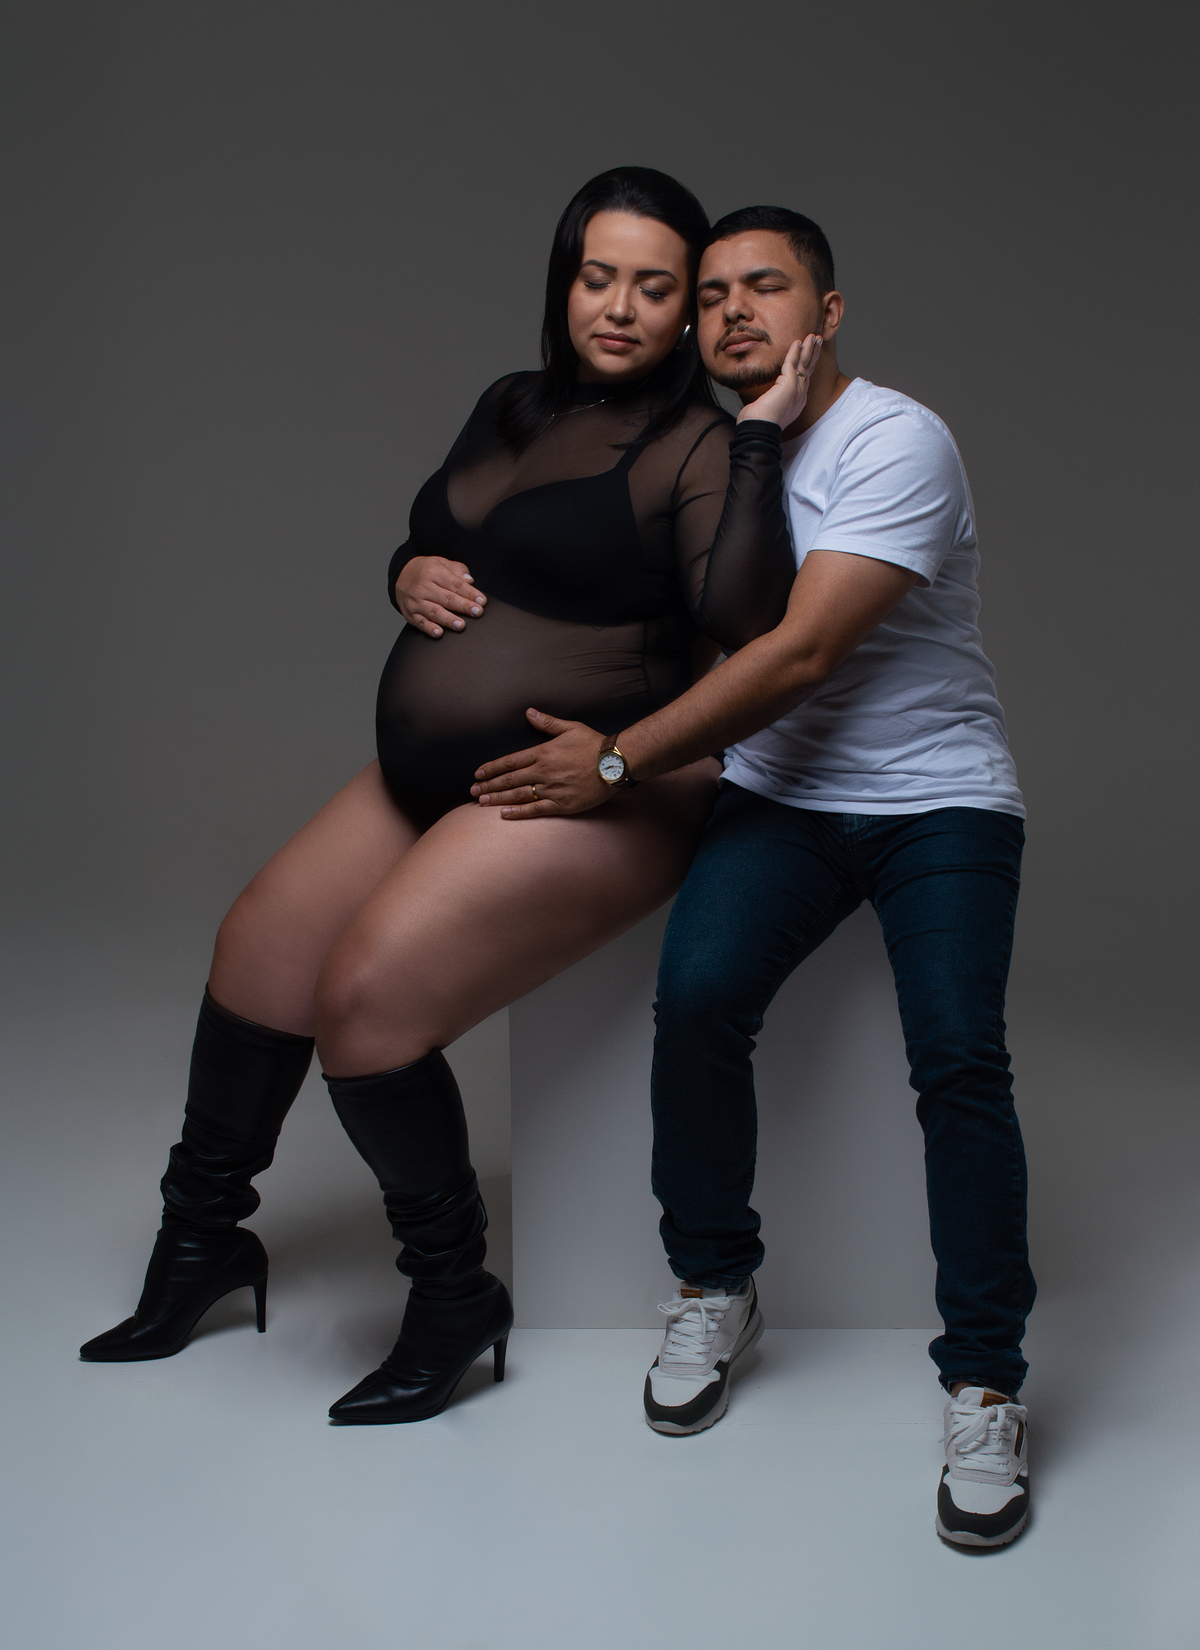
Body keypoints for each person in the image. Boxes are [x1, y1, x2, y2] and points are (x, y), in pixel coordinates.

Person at [79, 169, 815, 1429]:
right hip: (430, 776)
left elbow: (748, 617)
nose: (620, 309)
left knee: (364, 1001)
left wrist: (757, 433)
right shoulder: (513, 401)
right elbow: (441, 531)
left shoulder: (697, 444)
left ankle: (455, 1294)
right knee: (256, 953)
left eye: (655, 288)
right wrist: (403, 569)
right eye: (598, 278)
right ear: (563, 281)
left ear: (690, 307)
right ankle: (202, 1242)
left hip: (595, 784)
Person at [471, 206, 1035, 1548]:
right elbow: (574, 559)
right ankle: (717, 1283)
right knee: (700, 1002)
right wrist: (422, 559)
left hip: (936, 799)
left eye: (765, 287)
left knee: (959, 1057)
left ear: (826, 314)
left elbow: (796, 654)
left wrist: (617, 762)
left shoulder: (896, 438)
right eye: (714, 291)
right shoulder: (733, 448)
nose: (733, 312)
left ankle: (985, 1382)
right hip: (781, 798)